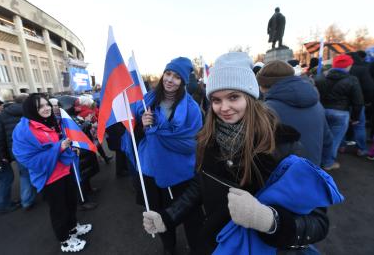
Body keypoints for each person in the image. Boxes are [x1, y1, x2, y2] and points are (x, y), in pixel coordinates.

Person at [142, 52, 343, 255]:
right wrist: (167, 217)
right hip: (219, 243)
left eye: (233, 97)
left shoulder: (283, 145)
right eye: (216, 100)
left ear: (250, 97)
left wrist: (269, 221)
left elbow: (317, 221)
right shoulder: (207, 140)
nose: (224, 108)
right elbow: (199, 186)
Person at [131, 57, 205, 254]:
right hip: (151, 169)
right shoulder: (146, 101)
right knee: (159, 213)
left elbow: (193, 143)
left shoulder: (192, 109)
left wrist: (159, 132)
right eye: (168, 73)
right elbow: (133, 137)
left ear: (183, 82)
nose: (170, 80)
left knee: (190, 216)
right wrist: (141, 125)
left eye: (177, 77)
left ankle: (195, 247)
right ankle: (169, 247)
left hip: (181, 171)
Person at [12, 94, 92, 252]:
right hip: (49, 178)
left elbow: (58, 142)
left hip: (64, 170)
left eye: (47, 104)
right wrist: (60, 147)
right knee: (59, 210)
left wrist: (68, 147)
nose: (46, 108)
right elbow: (28, 160)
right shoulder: (23, 130)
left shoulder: (49, 122)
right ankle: (64, 240)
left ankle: (73, 227)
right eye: (40, 106)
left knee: (70, 203)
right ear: (31, 109)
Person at [256, 60, 333, 166]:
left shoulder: (266, 110)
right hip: (313, 169)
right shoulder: (316, 103)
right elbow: (327, 139)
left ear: (263, 85)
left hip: (284, 175)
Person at [315, 54, 364, 170]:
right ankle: (327, 163)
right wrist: (356, 117)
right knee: (334, 140)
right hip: (341, 113)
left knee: (322, 138)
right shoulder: (352, 79)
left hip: (322, 111)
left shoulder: (321, 77)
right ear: (348, 66)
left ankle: (317, 159)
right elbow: (358, 101)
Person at [0, 93, 36, 211]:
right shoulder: (32, 112)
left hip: (17, 152)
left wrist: (2, 154)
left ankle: (26, 201)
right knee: (41, 170)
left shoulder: (2, 116)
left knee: (24, 175)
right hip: (34, 148)